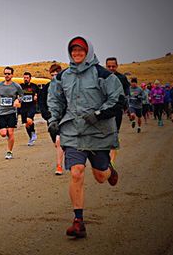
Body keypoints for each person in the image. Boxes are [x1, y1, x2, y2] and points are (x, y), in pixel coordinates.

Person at [47, 36, 122, 239]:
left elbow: (117, 98)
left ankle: (109, 170)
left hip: (98, 133)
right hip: (73, 131)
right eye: (74, 50)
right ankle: (78, 221)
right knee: (76, 172)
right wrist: (53, 120)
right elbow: (55, 99)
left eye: (81, 50)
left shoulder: (102, 74)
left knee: (100, 177)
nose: (77, 53)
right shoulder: (62, 77)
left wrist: (99, 113)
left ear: (88, 51)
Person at [0, 66, 24, 160]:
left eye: (8, 74)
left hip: (12, 112)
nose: (7, 75)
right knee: (3, 133)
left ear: (12, 75)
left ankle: (9, 152)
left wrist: (18, 100)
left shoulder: (16, 86)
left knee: (10, 132)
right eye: (5, 73)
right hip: (1, 112)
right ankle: (7, 137)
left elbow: (21, 95)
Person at [38, 63, 64, 175]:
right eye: (52, 75)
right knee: (56, 142)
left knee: (59, 141)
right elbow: (41, 102)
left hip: (64, 117)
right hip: (51, 118)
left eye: (56, 74)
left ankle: (59, 166)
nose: (54, 77)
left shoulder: (65, 87)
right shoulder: (46, 88)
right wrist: (45, 114)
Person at [105, 57, 129, 163]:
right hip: (104, 110)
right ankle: (105, 156)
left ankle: (112, 160)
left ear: (117, 66)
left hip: (117, 110)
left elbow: (126, 94)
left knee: (115, 132)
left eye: (113, 66)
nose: (111, 68)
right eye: (109, 66)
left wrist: (125, 107)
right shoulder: (101, 77)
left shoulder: (122, 78)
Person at [19, 72, 40, 146]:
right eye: (24, 78)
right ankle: (31, 138)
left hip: (31, 106)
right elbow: (17, 93)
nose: (26, 79)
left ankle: (33, 132)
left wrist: (36, 96)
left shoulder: (34, 86)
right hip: (23, 107)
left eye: (27, 78)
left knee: (29, 120)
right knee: (26, 125)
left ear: (30, 78)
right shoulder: (20, 86)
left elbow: (39, 93)